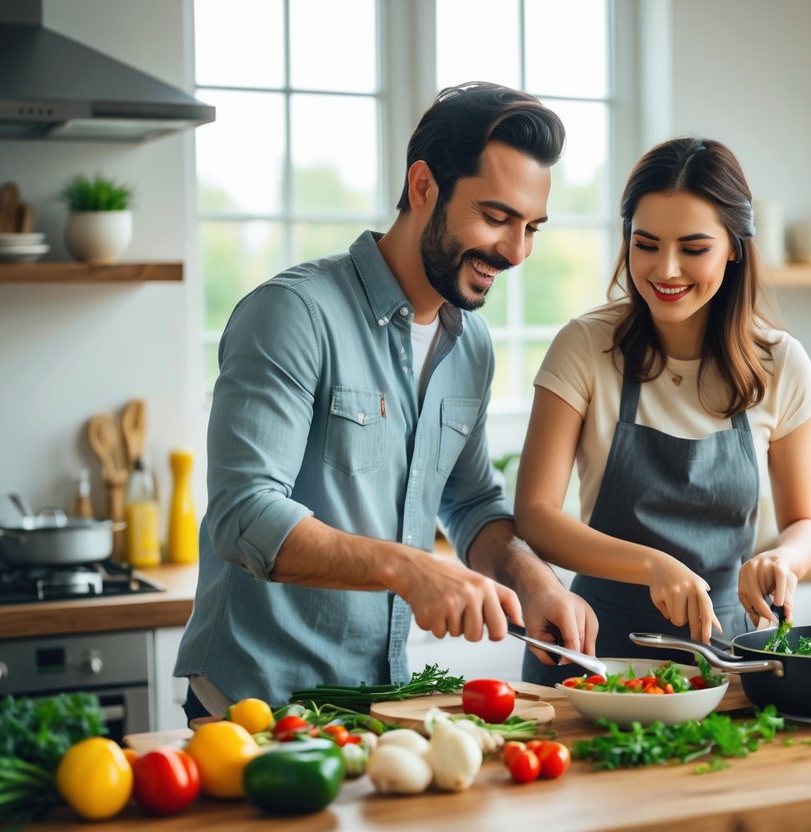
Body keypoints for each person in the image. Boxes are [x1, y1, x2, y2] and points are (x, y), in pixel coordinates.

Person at [175, 82, 597, 718]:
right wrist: (408, 568)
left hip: (380, 706)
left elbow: (471, 501)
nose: (515, 252)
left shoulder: (471, 343)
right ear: (424, 186)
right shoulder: (293, 314)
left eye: (531, 227)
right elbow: (243, 515)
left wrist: (535, 581)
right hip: (253, 709)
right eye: (496, 216)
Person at [514, 137, 811, 683]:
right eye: (647, 243)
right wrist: (652, 565)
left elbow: (805, 523)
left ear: (734, 247)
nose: (667, 269)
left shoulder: (781, 363)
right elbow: (536, 516)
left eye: (694, 247)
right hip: (593, 654)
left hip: (726, 654)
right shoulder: (586, 347)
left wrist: (785, 560)